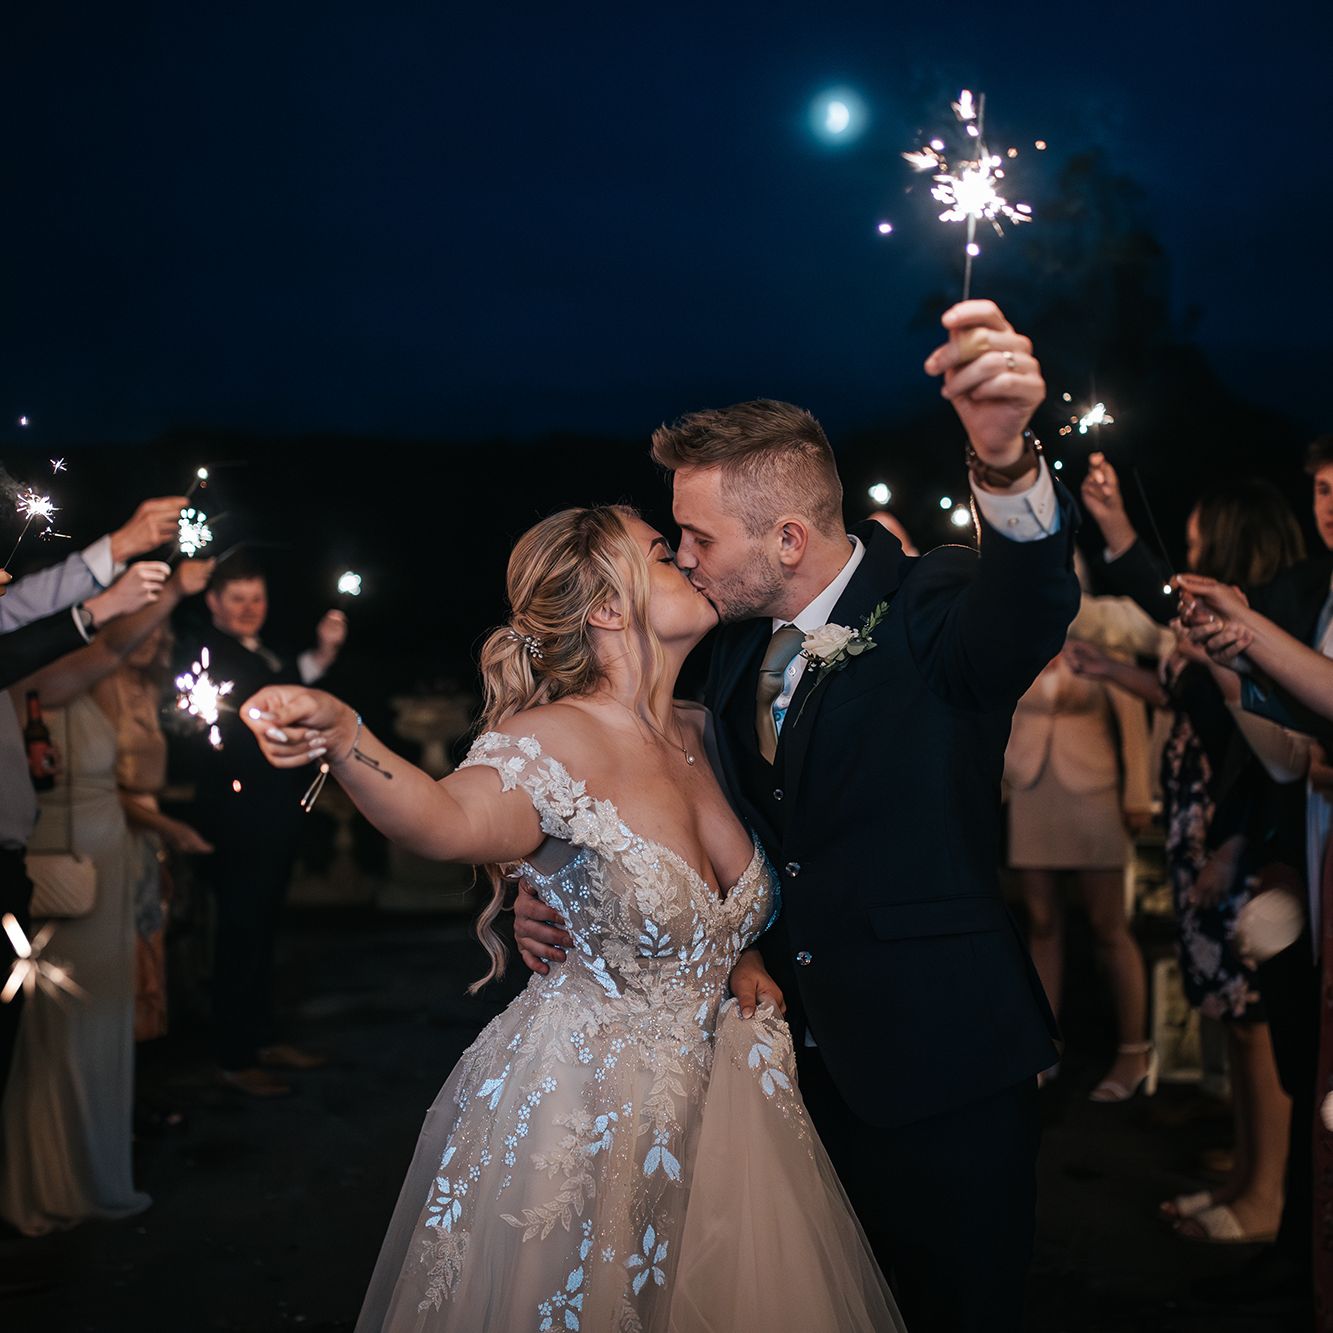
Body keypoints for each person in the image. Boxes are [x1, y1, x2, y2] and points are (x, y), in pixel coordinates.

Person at [507, 300, 1080, 1333]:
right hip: (769, 1077)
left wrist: (1004, 464)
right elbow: (635, 771)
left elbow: (1030, 602)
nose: (683, 556)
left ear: (786, 536)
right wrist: (548, 880)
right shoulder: (723, 645)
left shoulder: (931, 604)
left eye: (697, 536)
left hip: (937, 1066)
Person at [241, 505, 905, 1332]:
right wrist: (347, 737)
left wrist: (741, 953)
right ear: (607, 607)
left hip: (730, 1115)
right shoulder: (547, 740)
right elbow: (444, 820)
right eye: (661, 552)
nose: (687, 561)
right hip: (586, 1112)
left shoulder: (707, 728)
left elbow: (724, 899)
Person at [1080, 460, 1304, 1246]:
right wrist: (1110, 667)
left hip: (1233, 829)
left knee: (1252, 1016)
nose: (1192, 544)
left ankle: (1267, 1193)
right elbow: (1182, 695)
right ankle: (1244, 1172)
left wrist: (1230, 842)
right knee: (1230, 1015)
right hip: (1200, 824)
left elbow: (1261, 755)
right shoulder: (1217, 622)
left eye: (1202, 533)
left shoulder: (1261, 626)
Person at [0, 557, 210, 1235]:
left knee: (102, 1023)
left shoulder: (86, 679)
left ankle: (92, 1168)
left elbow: (117, 650)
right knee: (60, 1031)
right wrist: (172, 591)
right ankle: (48, 1184)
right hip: (66, 868)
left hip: (106, 864)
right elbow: (114, 644)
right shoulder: (30, 679)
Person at [0, 496, 185, 1109]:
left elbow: (20, 608)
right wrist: (108, 601)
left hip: (22, 861)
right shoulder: (40, 672)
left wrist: (122, 547)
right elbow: (57, 633)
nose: (6, 579)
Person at [180, 553, 348, 1096]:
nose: (250, 608)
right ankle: (234, 1057)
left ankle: (260, 1037)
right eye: (238, 599)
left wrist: (322, 653)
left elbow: (284, 685)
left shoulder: (258, 650)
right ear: (213, 601)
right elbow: (255, 715)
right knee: (240, 933)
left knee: (263, 929)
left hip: (270, 814)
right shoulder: (212, 655)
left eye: (257, 597)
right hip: (238, 819)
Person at [1006, 602, 1154, 1101]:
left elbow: (1132, 721)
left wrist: (1139, 793)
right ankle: (1044, 1049)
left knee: (1109, 925)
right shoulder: (1018, 634)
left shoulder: (1100, 635)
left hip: (1094, 793)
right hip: (1031, 791)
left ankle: (1134, 1050)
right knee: (1041, 922)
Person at [99, 623, 215, 1042]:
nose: (150, 638)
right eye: (142, 628)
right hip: (116, 831)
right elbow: (100, 785)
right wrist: (169, 828)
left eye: (158, 631)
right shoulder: (102, 687)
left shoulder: (152, 688)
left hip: (148, 831)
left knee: (152, 941)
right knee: (125, 949)